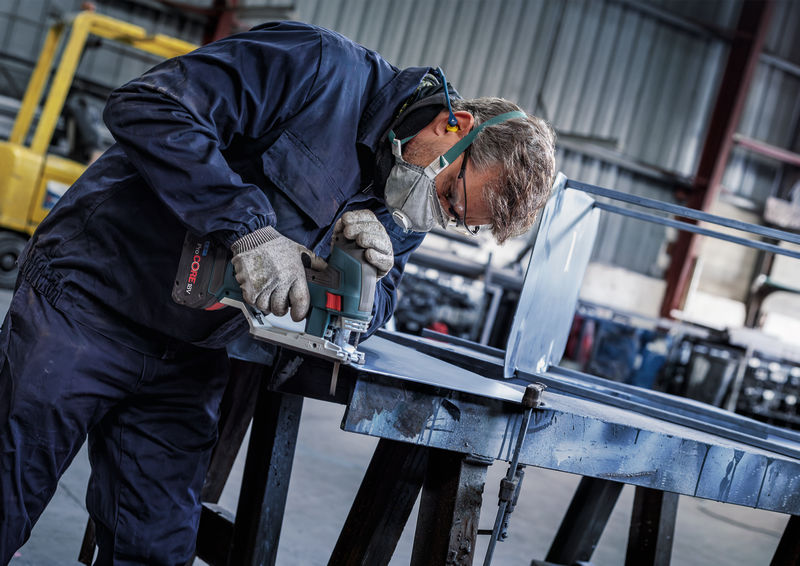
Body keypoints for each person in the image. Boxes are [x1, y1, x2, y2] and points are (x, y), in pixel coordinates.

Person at [0, 20, 556, 565]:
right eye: (451, 195)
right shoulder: (316, 68)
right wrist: (248, 227)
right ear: (455, 124)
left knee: (156, 549)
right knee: (7, 494)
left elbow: (380, 303)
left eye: (457, 219)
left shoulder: (409, 201)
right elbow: (147, 107)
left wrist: (364, 281)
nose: (439, 214)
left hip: (191, 351)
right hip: (89, 298)